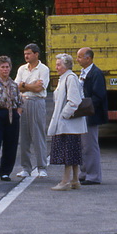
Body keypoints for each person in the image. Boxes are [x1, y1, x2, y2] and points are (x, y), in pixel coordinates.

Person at [47, 53, 88, 191]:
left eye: (59, 64)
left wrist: (64, 115)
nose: (56, 67)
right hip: (69, 124)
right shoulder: (64, 78)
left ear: (67, 65)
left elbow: (74, 101)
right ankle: (75, 180)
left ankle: (65, 181)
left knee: (68, 154)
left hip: (69, 124)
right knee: (73, 153)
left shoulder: (70, 78)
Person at [14, 44, 50, 178]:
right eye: (25, 54)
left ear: (36, 54)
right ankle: (26, 168)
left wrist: (24, 85)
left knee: (38, 134)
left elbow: (39, 88)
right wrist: (29, 86)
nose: (26, 56)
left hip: (37, 102)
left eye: (29, 53)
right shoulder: (22, 69)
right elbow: (16, 87)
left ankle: (42, 167)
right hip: (23, 102)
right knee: (24, 137)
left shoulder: (43, 69)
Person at [77, 47, 108, 185]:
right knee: (83, 145)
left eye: (79, 57)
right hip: (83, 114)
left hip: (90, 114)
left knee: (90, 145)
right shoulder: (83, 73)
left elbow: (99, 95)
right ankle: (84, 172)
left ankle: (93, 176)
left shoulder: (96, 74)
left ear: (88, 58)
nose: (77, 59)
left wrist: (84, 106)